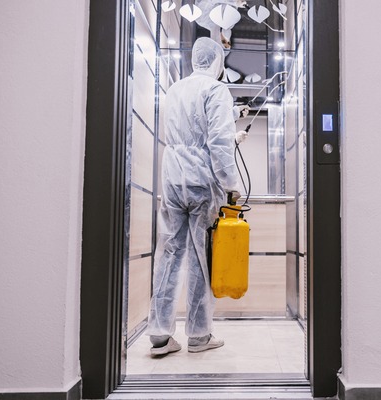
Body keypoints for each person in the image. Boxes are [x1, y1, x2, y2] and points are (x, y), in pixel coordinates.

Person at [146, 37, 248, 356]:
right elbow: (216, 141)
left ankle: (159, 334)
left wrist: (233, 126)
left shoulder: (176, 89)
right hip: (201, 180)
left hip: (173, 176)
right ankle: (199, 334)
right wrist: (231, 184)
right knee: (200, 257)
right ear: (217, 61)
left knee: (169, 253)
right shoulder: (216, 89)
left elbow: (191, 128)